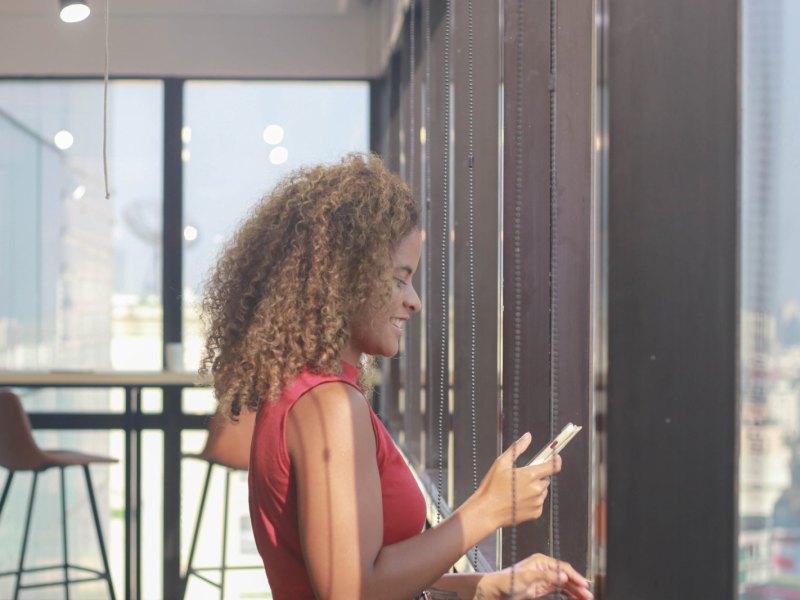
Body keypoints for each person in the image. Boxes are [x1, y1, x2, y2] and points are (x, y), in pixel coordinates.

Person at [200, 153, 593, 600]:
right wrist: (487, 510)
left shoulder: (305, 392)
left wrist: (487, 586)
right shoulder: (328, 406)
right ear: (344, 279)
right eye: (399, 279)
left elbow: (353, 571)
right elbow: (351, 591)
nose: (415, 301)